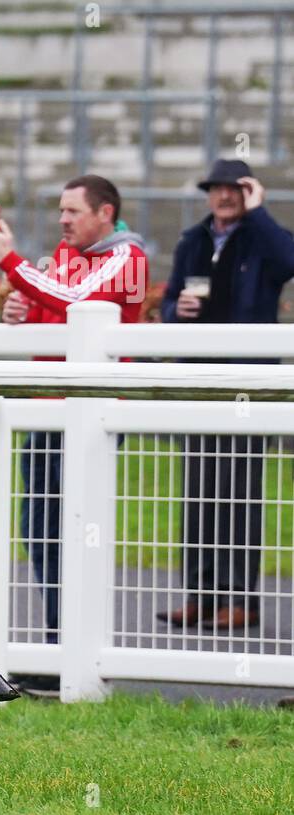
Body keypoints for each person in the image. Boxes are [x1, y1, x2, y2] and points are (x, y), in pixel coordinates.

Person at [0, 174, 147, 695]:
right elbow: (49, 304)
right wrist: (21, 309)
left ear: (105, 214)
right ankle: (57, 649)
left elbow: (75, 299)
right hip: (48, 413)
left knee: (73, 535)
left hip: (86, 417)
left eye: (73, 211)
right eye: (61, 210)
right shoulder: (64, 253)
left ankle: (72, 655)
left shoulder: (129, 259)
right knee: (42, 534)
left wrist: (11, 262)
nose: (63, 219)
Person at [158, 160, 294, 630]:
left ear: (248, 193)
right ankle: (199, 593)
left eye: (235, 190)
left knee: (239, 494)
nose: (225, 197)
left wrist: (260, 214)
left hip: (247, 385)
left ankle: (240, 599)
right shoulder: (193, 241)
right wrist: (180, 309)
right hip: (198, 382)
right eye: (218, 189)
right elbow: (169, 302)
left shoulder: (263, 237)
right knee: (198, 492)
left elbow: (288, 262)